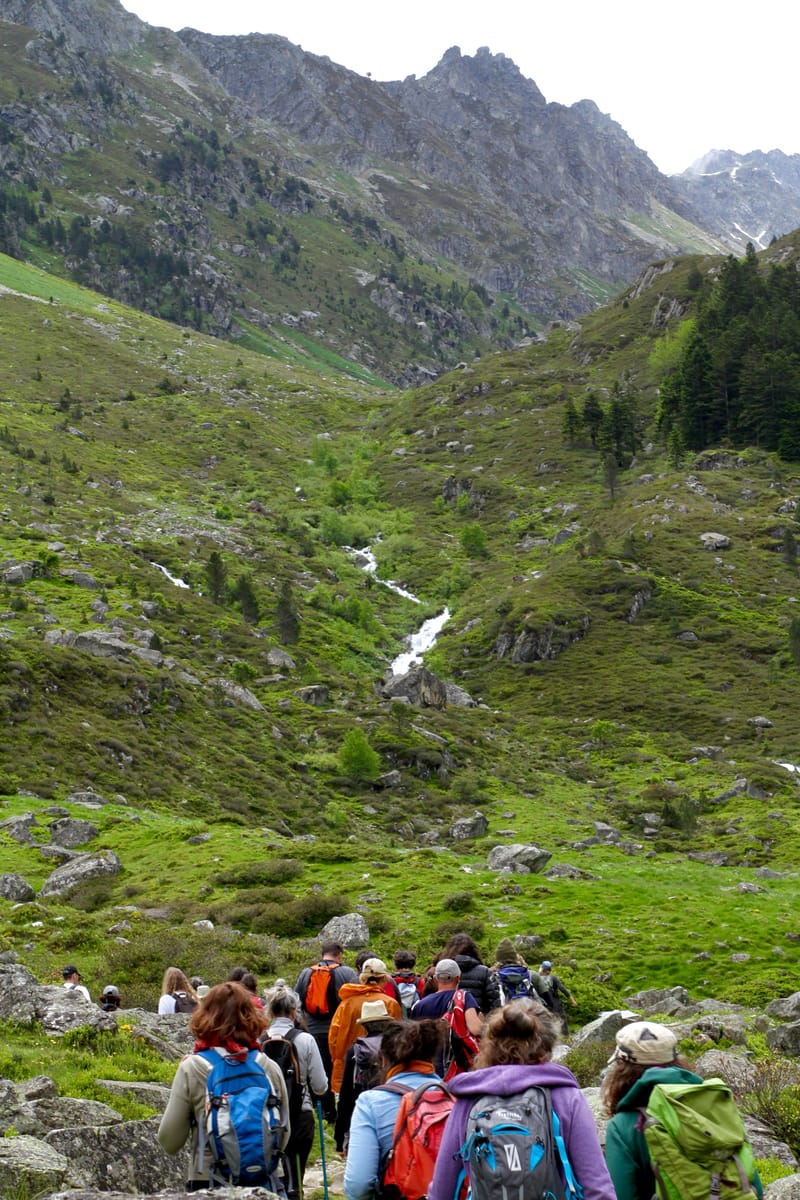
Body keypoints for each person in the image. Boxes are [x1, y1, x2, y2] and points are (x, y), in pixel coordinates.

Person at [429, 999, 616, 1200]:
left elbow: (442, 1189)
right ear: (548, 1046)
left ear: (489, 1044)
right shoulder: (566, 1096)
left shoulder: (469, 1099)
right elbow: (597, 1186)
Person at [601, 1020, 763, 1200]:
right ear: (676, 1061)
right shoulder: (717, 1107)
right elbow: (750, 1179)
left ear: (621, 1069)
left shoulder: (623, 1126)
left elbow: (622, 1194)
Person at [157, 981, 290, 1190]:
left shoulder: (192, 1068)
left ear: (204, 1016)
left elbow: (169, 1141)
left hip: (208, 1180)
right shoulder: (268, 1066)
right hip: (266, 1180)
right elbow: (284, 1131)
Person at [343, 1018, 444, 1200]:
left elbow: (359, 1185)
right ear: (430, 1057)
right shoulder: (456, 1099)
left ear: (384, 1060)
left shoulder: (370, 1103)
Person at [264, 983, 328, 1199]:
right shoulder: (305, 1039)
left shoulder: (258, 1041)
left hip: (266, 1116)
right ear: (294, 1011)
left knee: (272, 1174)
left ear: (270, 1012)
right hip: (300, 1114)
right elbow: (320, 1085)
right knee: (296, 1178)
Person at [295, 940, 358, 1121]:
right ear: (339, 955)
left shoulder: (306, 973)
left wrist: (305, 1026)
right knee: (341, 1071)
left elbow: (296, 1003)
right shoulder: (346, 972)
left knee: (319, 1071)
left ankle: (326, 1114)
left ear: (323, 954)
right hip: (340, 1033)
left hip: (314, 1032)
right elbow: (355, 1001)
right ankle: (345, 1113)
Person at [328, 959, 402, 1093]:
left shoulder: (346, 1004)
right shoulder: (390, 1003)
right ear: (384, 979)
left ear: (362, 978)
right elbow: (397, 1038)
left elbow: (333, 1038)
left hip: (348, 1067)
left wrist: (338, 1060)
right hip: (383, 1070)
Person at [335, 998, 398, 1154]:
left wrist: (340, 1136)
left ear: (364, 1025)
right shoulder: (398, 1047)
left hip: (363, 1114)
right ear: (386, 1022)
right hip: (394, 1113)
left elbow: (346, 1095)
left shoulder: (355, 1050)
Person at [411, 958, 483, 1078]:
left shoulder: (420, 1005)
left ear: (435, 979)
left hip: (428, 1065)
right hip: (457, 1065)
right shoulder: (464, 998)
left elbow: (413, 1038)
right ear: (458, 978)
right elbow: (475, 1028)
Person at [433, 933, 501, 1014]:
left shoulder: (443, 971)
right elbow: (495, 1003)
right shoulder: (485, 972)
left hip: (449, 1022)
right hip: (477, 1021)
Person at [537, 960, 576, 1032]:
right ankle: (565, 1036)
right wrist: (572, 1000)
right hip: (556, 1003)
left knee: (547, 1021)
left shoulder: (537, 978)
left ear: (542, 969)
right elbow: (562, 989)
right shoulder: (553, 978)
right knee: (562, 1018)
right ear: (550, 969)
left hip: (543, 1004)